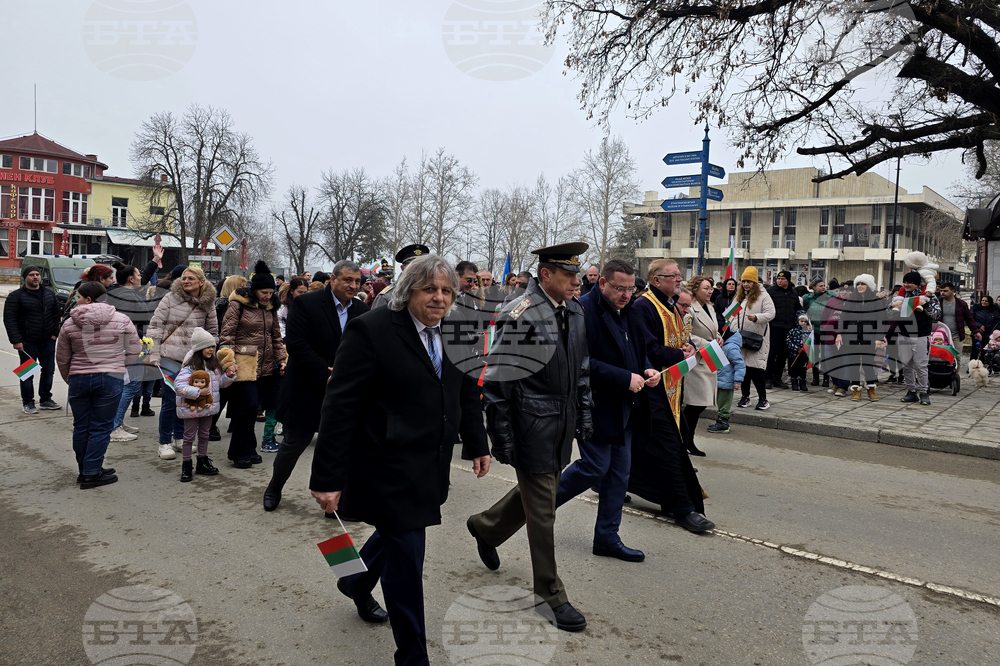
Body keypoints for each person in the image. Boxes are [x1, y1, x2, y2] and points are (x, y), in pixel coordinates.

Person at [310, 254, 490, 665]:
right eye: (429, 289)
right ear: (409, 291)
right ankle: (412, 657)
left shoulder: (460, 332)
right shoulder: (371, 330)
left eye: (446, 290)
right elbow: (339, 406)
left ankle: (354, 582)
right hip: (385, 463)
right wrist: (327, 476)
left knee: (397, 539)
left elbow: (465, 392)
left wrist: (478, 443)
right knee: (407, 562)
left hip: (431, 462)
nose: (439, 298)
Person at [467, 242, 593, 633]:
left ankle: (486, 526)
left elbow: (582, 369)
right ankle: (550, 595)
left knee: (540, 492)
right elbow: (500, 381)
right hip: (532, 423)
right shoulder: (520, 314)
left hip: (562, 421)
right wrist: (501, 437)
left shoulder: (574, 309)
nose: (577, 280)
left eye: (577, 274)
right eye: (569, 274)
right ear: (545, 275)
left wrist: (585, 416)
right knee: (544, 510)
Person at [554, 258, 659, 562]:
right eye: (619, 288)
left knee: (618, 475)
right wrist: (625, 378)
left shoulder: (632, 312)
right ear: (602, 283)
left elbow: (637, 354)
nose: (626, 294)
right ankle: (532, 507)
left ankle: (607, 538)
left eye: (630, 289)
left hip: (624, 407)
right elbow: (581, 362)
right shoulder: (582, 310)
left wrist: (647, 370)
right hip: (594, 405)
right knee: (594, 467)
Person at [264, 261, 369, 511]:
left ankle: (334, 501)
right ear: (333, 279)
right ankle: (274, 487)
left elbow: (366, 348)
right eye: (348, 280)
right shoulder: (306, 303)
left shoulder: (363, 309)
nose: (353, 286)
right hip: (306, 387)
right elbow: (297, 345)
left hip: (343, 392)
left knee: (340, 448)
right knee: (294, 444)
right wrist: (325, 373)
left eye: (357, 281)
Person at [629, 259, 714, 532]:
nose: (680, 279)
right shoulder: (644, 306)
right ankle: (682, 507)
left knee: (659, 447)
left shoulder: (670, 305)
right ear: (656, 280)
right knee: (668, 448)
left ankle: (617, 483)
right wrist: (680, 354)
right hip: (653, 389)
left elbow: (678, 338)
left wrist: (687, 347)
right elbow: (651, 349)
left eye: (680, 275)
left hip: (672, 389)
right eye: (674, 276)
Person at [56, 281, 142, 489]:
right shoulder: (122, 319)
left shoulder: (69, 323)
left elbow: (62, 357)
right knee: (101, 427)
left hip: (79, 379)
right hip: (110, 377)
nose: (76, 300)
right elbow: (134, 348)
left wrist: (70, 377)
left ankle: (85, 469)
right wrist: (120, 366)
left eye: (78, 297)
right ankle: (92, 471)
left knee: (82, 426)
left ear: (89, 299)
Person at [220, 261, 286, 468]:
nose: (268, 296)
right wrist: (228, 362)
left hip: (265, 366)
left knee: (252, 407)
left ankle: (248, 448)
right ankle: (239, 451)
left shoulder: (271, 308)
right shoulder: (237, 304)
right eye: (264, 292)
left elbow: (276, 336)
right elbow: (227, 335)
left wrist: (281, 360)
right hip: (244, 363)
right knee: (247, 405)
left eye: (270, 292)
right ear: (254, 290)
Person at [148, 266, 218, 460]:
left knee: (187, 399)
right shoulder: (170, 298)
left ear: (201, 282)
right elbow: (155, 327)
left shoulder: (208, 303)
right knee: (171, 400)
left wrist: (210, 356)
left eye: (191, 278)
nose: (186, 281)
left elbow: (212, 332)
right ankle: (164, 442)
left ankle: (180, 438)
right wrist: (154, 354)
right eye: (184, 278)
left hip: (193, 360)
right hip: (169, 356)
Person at [173, 328, 236, 482]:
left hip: (207, 407)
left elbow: (219, 384)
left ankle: (202, 461)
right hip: (191, 408)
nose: (211, 349)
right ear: (199, 348)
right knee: (188, 437)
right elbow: (178, 386)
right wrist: (197, 392)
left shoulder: (213, 366)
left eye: (213, 346)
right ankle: (186, 465)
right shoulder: (189, 367)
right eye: (207, 346)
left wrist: (229, 376)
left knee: (204, 435)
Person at [107, 264, 161, 442]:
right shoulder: (125, 297)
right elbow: (126, 324)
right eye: (138, 274)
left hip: (132, 344)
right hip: (129, 346)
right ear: (131, 279)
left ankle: (118, 422)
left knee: (129, 386)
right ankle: (114, 427)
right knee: (130, 386)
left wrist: (153, 261)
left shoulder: (124, 293)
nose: (141, 278)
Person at [4, 264, 61, 414]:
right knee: (27, 372)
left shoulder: (49, 294)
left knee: (49, 370)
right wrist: (16, 340)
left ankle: (46, 399)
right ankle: (28, 402)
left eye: (37, 274)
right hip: (27, 342)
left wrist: (55, 333)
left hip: (48, 340)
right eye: (31, 275)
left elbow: (56, 314)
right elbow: (10, 319)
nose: (35, 277)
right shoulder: (16, 296)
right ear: (25, 277)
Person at [828, 274, 889, 401]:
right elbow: (843, 319)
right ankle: (856, 390)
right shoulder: (851, 300)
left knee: (867, 365)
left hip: (869, 338)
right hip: (851, 337)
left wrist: (879, 337)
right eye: (858, 284)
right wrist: (840, 334)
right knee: (853, 365)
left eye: (863, 284)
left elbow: (881, 320)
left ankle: (871, 389)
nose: (860, 286)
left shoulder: (876, 301)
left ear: (869, 286)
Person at [682, 276, 722, 457]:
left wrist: (719, 336)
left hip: (709, 358)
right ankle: (685, 441)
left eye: (711, 287)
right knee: (694, 404)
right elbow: (686, 334)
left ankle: (688, 440)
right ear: (696, 289)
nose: (710, 291)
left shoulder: (710, 307)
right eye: (706, 288)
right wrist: (706, 343)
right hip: (696, 361)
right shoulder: (689, 307)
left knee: (700, 405)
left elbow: (713, 329)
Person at [889, 271, 941, 405]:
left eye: (909, 282)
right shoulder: (900, 295)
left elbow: (936, 315)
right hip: (903, 334)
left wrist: (925, 305)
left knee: (921, 366)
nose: (906, 285)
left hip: (921, 335)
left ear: (917, 284)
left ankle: (924, 392)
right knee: (906, 365)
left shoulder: (929, 296)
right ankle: (911, 391)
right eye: (904, 282)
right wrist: (891, 307)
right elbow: (889, 315)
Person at [734, 267, 776, 410]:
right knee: (743, 368)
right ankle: (745, 397)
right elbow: (732, 315)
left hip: (757, 339)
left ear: (755, 282)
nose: (746, 284)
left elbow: (771, 314)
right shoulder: (740, 296)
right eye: (744, 281)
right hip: (741, 338)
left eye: (749, 281)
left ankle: (763, 399)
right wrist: (731, 329)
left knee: (756, 370)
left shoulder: (764, 296)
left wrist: (757, 317)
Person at [764, 270, 801, 388]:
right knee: (771, 353)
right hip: (774, 327)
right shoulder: (770, 291)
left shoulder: (793, 293)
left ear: (788, 280)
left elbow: (798, 310)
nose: (780, 281)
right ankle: (767, 378)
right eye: (778, 279)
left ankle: (777, 378)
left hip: (788, 328)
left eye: (783, 279)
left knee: (783, 355)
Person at [706, 327, 745, 434]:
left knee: (724, 404)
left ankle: (723, 424)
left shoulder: (731, 348)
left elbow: (740, 365)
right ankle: (720, 422)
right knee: (720, 402)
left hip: (727, 383)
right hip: (721, 381)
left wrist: (738, 380)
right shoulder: (723, 346)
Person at [371, 244, 429, 309]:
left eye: (423, 266)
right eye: (413, 266)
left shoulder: (434, 293)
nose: (419, 270)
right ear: (403, 268)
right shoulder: (386, 297)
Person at [802, 278, 834, 387]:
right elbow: (804, 311)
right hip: (813, 330)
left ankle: (826, 378)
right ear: (814, 287)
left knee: (826, 355)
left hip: (827, 330)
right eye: (820, 286)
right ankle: (815, 378)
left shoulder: (830, 297)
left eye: (824, 285)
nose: (823, 287)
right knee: (814, 355)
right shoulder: (808, 298)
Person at [938, 283, 980, 350]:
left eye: (945, 291)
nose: (942, 293)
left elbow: (969, 318)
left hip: (956, 335)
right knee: (941, 356)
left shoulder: (961, 304)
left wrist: (975, 332)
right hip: (940, 335)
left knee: (957, 357)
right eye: (941, 291)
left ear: (952, 291)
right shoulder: (937, 303)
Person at [785, 313, 813, 391]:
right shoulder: (793, 331)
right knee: (794, 368)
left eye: (805, 321)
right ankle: (794, 384)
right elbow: (788, 341)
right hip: (794, 354)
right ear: (798, 321)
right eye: (801, 321)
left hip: (804, 355)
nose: (803, 323)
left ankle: (803, 384)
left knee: (803, 369)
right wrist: (796, 348)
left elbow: (811, 341)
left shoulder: (808, 332)